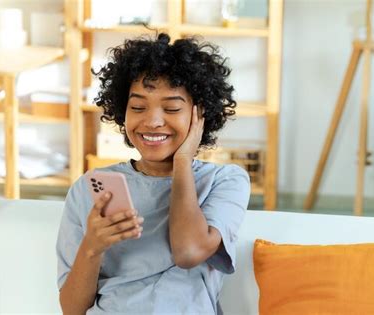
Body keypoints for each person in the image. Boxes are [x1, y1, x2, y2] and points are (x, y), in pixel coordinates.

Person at [56, 33, 250, 315]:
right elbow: (71, 310)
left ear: (200, 115)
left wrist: (183, 161)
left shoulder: (226, 181)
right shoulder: (87, 190)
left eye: (171, 108)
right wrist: (92, 247)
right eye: (137, 107)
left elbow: (188, 252)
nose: (153, 121)